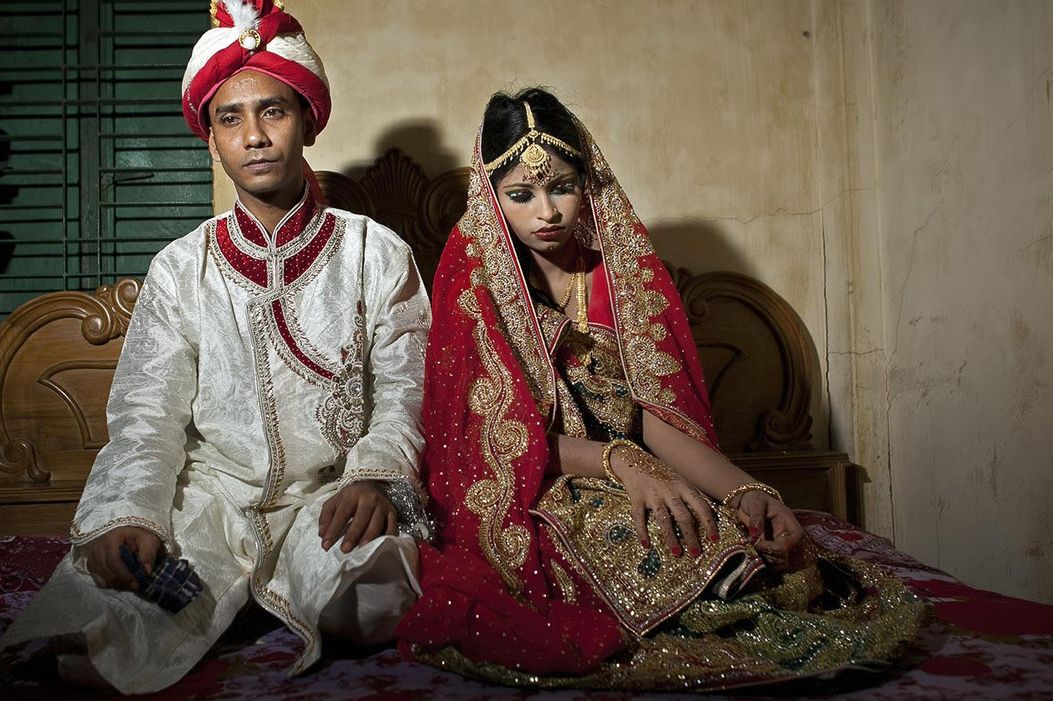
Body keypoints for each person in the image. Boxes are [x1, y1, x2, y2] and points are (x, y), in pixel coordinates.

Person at [395, 88, 924, 691]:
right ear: (492, 197)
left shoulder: (619, 273)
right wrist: (621, 462)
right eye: (521, 195)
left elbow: (653, 414)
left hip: (644, 467)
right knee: (650, 540)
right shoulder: (474, 286)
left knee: (730, 535)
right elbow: (492, 442)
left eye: (562, 186)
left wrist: (751, 490)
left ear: (587, 182)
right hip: (533, 486)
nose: (547, 211)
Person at [1, 1, 430, 693]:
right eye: (230, 118)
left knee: (377, 594)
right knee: (110, 604)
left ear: (308, 122)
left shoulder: (374, 252)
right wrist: (129, 514)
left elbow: (406, 387)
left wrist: (374, 474)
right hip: (213, 500)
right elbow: (148, 415)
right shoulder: (180, 266)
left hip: (331, 500)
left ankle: (263, 595)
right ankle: (224, 592)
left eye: (273, 112)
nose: (254, 136)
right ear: (210, 136)